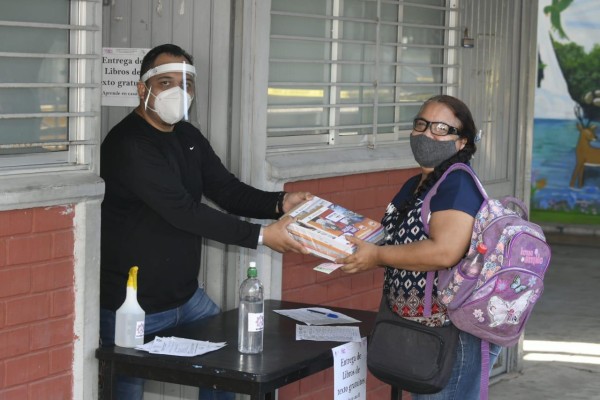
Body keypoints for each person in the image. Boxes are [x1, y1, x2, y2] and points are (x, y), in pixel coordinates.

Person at [99, 44, 310, 400]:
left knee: (227, 373)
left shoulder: (187, 135)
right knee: (126, 390)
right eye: (166, 81)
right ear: (142, 88)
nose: (178, 92)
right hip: (133, 306)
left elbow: (226, 189)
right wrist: (262, 236)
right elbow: (183, 211)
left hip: (187, 299)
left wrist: (279, 202)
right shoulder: (129, 144)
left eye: (187, 84)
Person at [337, 95, 502, 399]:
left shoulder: (457, 184)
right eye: (421, 124)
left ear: (461, 141)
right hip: (422, 328)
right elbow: (395, 236)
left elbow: (445, 252)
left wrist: (376, 255)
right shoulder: (416, 183)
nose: (427, 134)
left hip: (454, 333)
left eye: (440, 128)